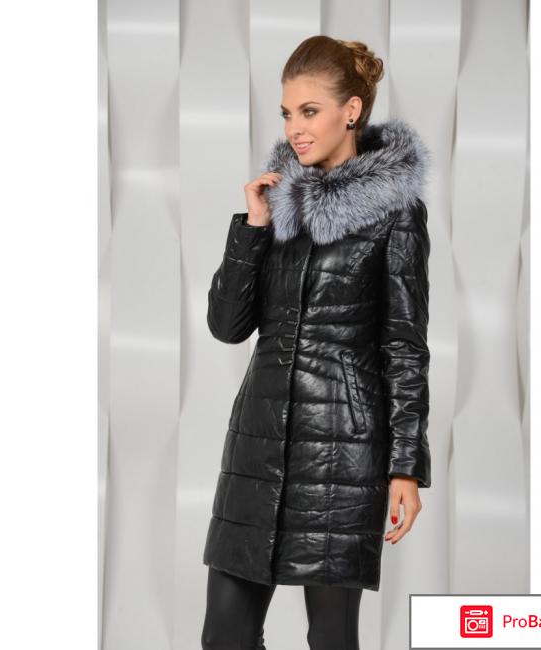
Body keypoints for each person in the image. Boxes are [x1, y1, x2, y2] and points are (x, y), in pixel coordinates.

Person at [200, 34, 432, 650]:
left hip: (342, 454)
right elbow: (227, 326)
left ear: (351, 110)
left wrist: (405, 467)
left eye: (309, 111)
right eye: (287, 113)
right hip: (257, 445)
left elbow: (404, 346)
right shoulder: (278, 203)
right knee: (224, 636)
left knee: (331, 637)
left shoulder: (395, 212)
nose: (295, 129)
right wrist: (253, 227)